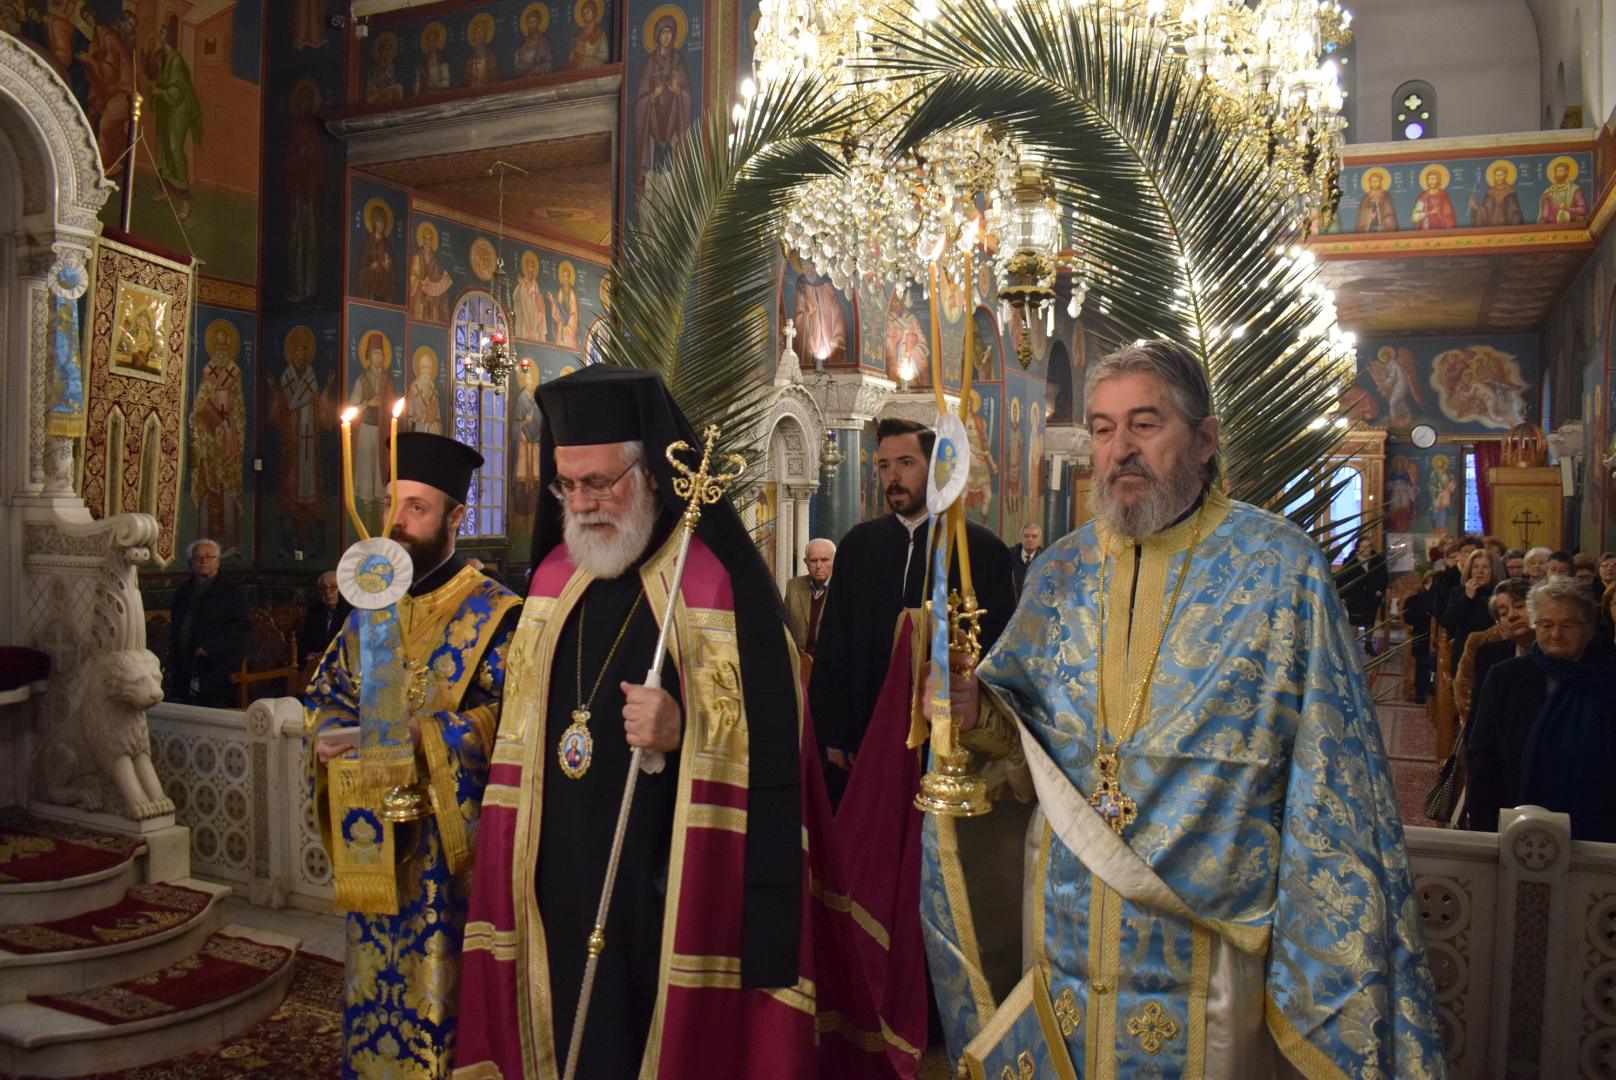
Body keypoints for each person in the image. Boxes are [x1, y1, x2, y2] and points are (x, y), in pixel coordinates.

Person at [929, 340, 1442, 1076]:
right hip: (1068, 931)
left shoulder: (1280, 570)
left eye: (1145, 424)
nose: (1120, 449)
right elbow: (1023, 748)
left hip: (1208, 938)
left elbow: (1334, 779)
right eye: (1103, 429)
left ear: (1204, 440)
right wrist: (974, 709)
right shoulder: (1059, 573)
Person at [455, 367, 824, 1077]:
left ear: (651, 472)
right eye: (566, 485)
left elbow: (783, 742)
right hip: (556, 865)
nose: (581, 504)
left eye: (599, 483)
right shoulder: (552, 580)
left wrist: (686, 731)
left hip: (661, 873)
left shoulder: (713, 583)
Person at [306, 433, 521, 1079]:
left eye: (417, 508)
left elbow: (515, 721)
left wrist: (428, 737)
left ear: (456, 517)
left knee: (444, 997)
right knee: (369, 981)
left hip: (448, 854)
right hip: (373, 834)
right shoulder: (372, 602)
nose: (396, 522)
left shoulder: (497, 613)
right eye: (390, 504)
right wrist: (329, 734)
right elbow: (329, 693)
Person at [809, 416, 1016, 807]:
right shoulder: (858, 545)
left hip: (948, 740)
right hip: (866, 731)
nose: (893, 477)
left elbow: (1001, 649)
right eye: (884, 465)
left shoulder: (981, 550)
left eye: (906, 463)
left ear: (935, 468)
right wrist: (835, 731)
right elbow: (834, 642)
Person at [1464, 578, 1616, 840]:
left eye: (1568, 625)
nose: (1555, 634)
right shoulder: (1506, 677)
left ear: (1589, 629)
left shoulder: (1608, 680)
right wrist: (1485, 835)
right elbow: (1483, 757)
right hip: (1515, 826)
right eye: (1546, 624)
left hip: (1599, 831)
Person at [167, 539, 251, 707]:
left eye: (208, 557)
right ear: (191, 563)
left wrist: (210, 649)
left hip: (216, 667)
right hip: (185, 664)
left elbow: (240, 628)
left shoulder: (231, 591)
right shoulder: (183, 590)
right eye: (197, 557)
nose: (203, 561)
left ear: (218, 561)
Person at [1454, 577, 1530, 729]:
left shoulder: (1554, 652)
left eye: (1520, 606)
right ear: (1499, 623)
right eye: (1503, 613)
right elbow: (1477, 714)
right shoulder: (1489, 654)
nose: (1512, 615)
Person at [1442, 548, 1496, 673]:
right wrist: (1467, 597)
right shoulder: (1458, 593)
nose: (1480, 571)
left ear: (1493, 570)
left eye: (1485, 567)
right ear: (1470, 570)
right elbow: (1448, 622)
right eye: (1475, 567)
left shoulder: (1498, 593)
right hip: (1464, 651)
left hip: (1493, 649)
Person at [784, 537, 835, 657]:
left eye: (824, 560)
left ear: (835, 561)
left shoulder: (843, 588)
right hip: (800, 661)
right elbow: (784, 626)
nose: (818, 565)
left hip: (831, 661)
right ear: (805, 562)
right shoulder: (793, 586)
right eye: (813, 560)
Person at [1340, 535, 1388, 649]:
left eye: (1369, 546)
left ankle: (1368, 645)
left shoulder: (1377, 560)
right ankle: (1352, 647)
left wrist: (1380, 590)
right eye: (1363, 546)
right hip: (1355, 597)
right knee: (1354, 622)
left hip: (1371, 596)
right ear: (1358, 548)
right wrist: (1343, 596)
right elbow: (1342, 579)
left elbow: (1384, 577)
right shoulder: (1349, 561)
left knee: (1370, 622)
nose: (1366, 549)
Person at [299, 571, 350, 669]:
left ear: (342, 588)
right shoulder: (314, 611)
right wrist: (308, 654)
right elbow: (303, 641)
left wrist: (327, 656)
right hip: (315, 664)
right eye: (323, 588)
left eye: (333, 587)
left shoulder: (351, 612)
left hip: (341, 665)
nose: (327, 592)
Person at [1403, 570, 1438, 702]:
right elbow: (1408, 618)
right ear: (1424, 584)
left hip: (1437, 638)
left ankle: (1433, 689)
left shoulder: (1440, 600)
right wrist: (1426, 616)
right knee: (1423, 661)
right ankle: (1421, 691)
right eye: (1430, 583)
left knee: (1434, 664)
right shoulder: (1415, 600)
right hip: (1422, 637)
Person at [1008, 522, 1044, 596]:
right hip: (1012, 599)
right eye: (1026, 536)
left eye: (1034, 536)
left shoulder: (1045, 558)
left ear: (1039, 540)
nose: (1030, 539)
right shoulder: (1008, 555)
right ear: (1021, 539)